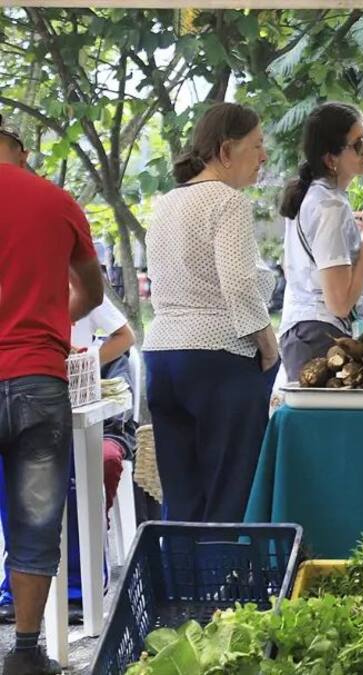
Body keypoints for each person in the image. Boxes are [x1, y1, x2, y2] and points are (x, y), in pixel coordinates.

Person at [0, 112, 105, 674]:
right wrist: (49, 324)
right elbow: (91, 290)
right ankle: (23, 652)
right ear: (16, 146)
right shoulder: (55, 200)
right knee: (36, 519)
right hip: (40, 379)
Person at [143, 102, 279, 524]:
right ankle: (224, 588)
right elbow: (238, 284)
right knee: (228, 496)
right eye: (256, 145)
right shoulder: (227, 202)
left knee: (182, 500)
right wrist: (268, 344)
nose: (264, 156)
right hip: (218, 357)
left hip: (162, 356)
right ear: (225, 151)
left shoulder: (166, 203)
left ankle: (181, 587)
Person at [0, 292, 138, 623]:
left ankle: (78, 587)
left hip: (71, 404)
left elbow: (125, 335)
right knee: (12, 495)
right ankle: (14, 589)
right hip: (13, 393)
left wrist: (85, 361)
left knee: (73, 494)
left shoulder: (77, 288)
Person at [278, 103, 363, 378]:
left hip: (308, 332)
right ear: (331, 159)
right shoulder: (330, 206)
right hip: (320, 336)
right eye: (359, 144)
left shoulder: (318, 197)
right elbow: (339, 302)